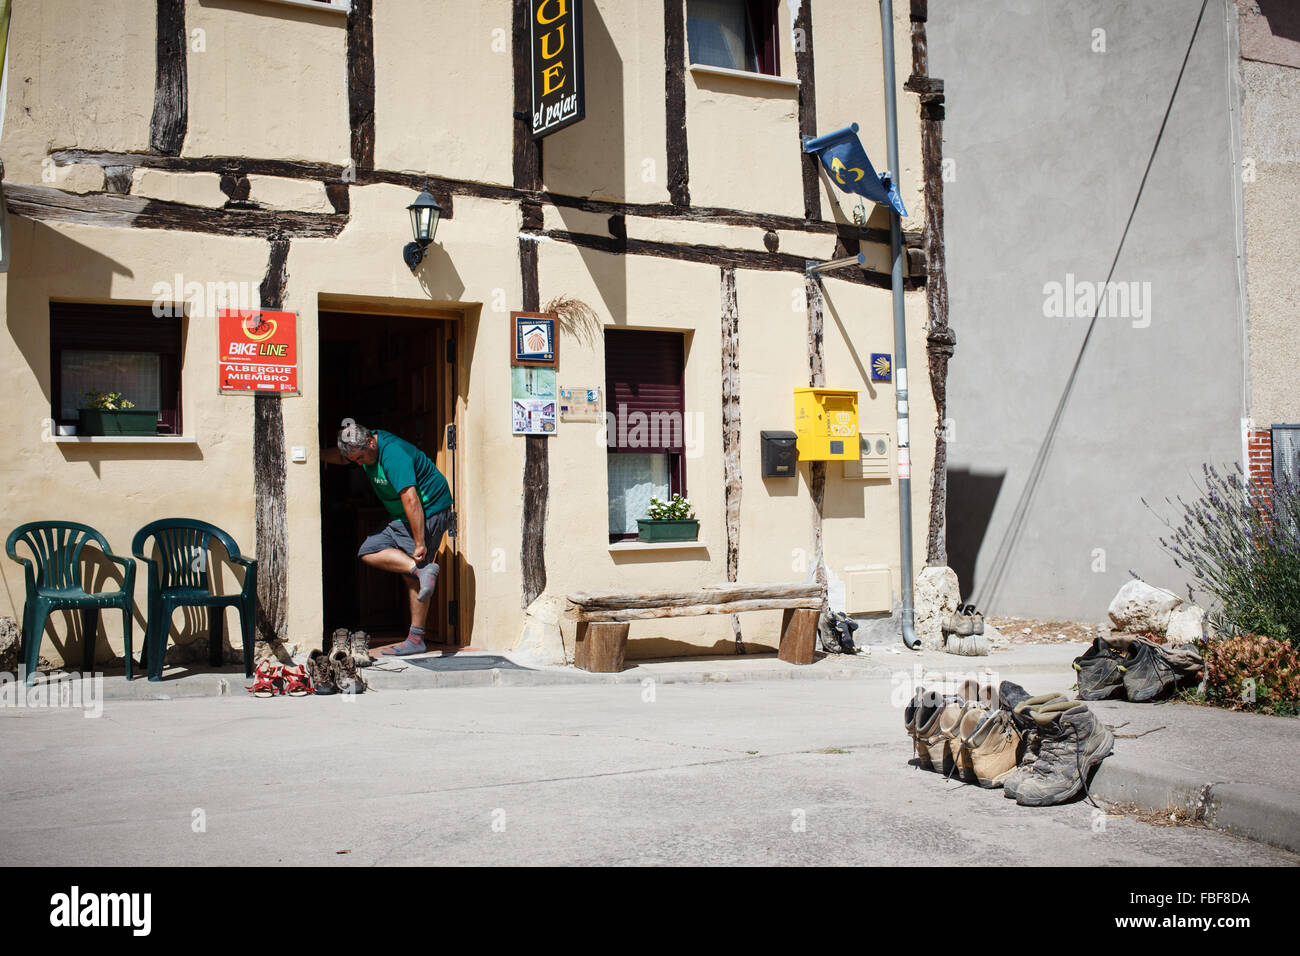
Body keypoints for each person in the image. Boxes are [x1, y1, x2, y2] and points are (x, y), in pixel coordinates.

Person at [321, 418, 453, 656]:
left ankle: (416, 638)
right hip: (401, 515)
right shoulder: (362, 448)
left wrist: (420, 541)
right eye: (355, 461)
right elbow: (342, 458)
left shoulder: (393, 455)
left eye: (361, 458)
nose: (360, 464)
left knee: (413, 575)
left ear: (370, 442)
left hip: (429, 509)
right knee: (370, 550)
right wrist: (313, 454)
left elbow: (411, 498)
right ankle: (419, 570)